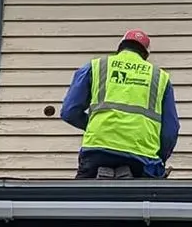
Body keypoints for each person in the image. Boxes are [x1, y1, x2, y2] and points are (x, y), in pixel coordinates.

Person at [59, 29, 179, 179]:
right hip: (142, 156)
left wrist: (95, 125)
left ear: (120, 47)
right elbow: (170, 130)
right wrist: (159, 161)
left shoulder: (96, 66)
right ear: (145, 54)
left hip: (98, 150)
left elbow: (69, 111)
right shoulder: (159, 77)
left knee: (83, 199)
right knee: (145, 197)